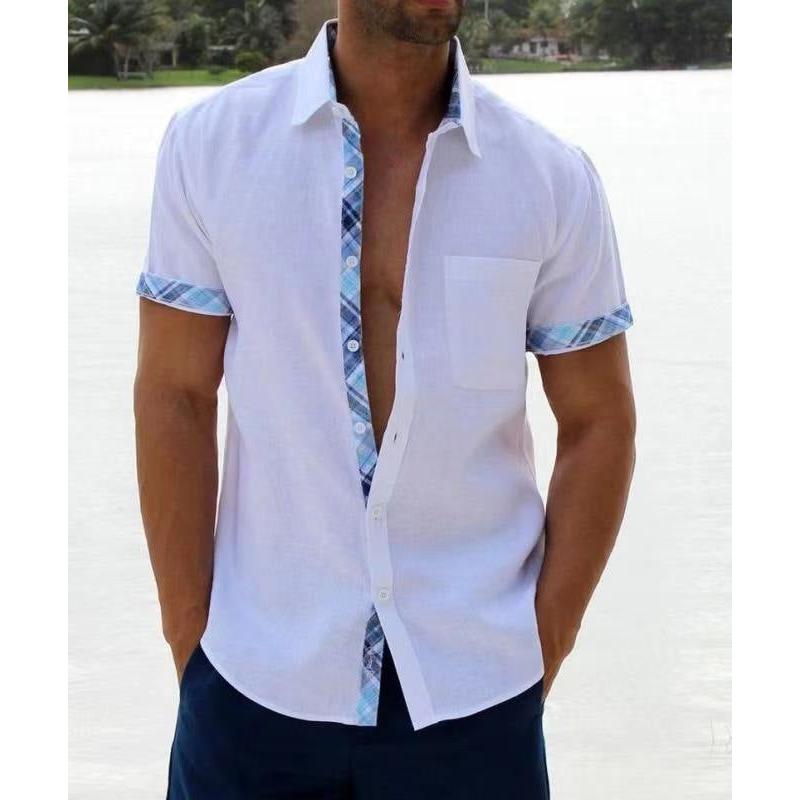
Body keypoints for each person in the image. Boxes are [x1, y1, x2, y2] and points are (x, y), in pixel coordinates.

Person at [134, 2, 636, 798]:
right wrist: (189, 641)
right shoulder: (213, 148)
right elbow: (175, 395)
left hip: (474, 694)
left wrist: (543, 642)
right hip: (253, 680)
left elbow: (599, 420)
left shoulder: (547, 176)